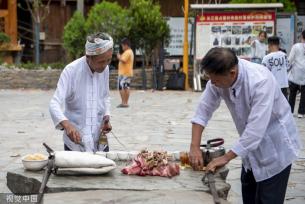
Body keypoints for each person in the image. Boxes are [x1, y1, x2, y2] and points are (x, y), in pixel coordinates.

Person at [189, 47, 301, 204]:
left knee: (268, 199)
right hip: (249, 152)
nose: (212, 83)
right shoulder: (219, 78)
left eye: (215, 80)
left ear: (232, 73)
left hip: (275, 149)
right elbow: (203, 110)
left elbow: (255, 131)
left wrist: (225, 158)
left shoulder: (260, 81)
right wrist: (194, 146)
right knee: (249, 196)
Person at [49, 32, 113, 152]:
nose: (105, 65)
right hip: (76, 144)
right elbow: (54, 104)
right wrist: (67, 125)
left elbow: (105, 97)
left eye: (108, 60)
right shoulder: (71, 71)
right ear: (88, 56)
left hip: (100, 142)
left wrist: (106, 118)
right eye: (101, 62)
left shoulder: (105, 69)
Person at [288, 30, 305, 118]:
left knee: (292, 93)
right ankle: (301, 113)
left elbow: (290, 59)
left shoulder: (296, 46)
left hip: (296, 72)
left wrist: (287, 69)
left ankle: (290, 111)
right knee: (304, 94)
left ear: (302, 36)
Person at [116, 38, 134, 108]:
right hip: (127, 72)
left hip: (124, 73)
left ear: (126, 45)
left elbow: (123, 60)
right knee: (126, 87)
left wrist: (119, 57)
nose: (122, 47)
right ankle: (125, 102)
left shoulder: (128, 52)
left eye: (122, 46)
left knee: (121, 87)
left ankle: (124, 102)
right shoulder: (130, 52)